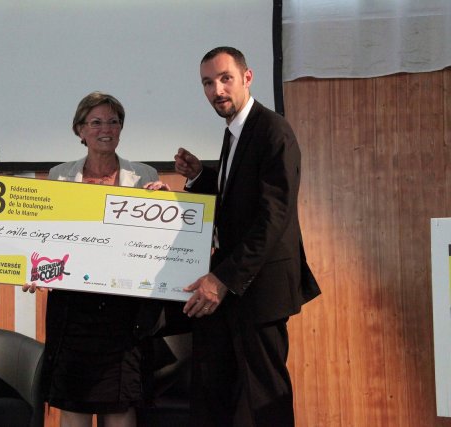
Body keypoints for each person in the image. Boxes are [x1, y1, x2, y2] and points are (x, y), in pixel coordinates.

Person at [172, 46, 321, 426]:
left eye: (225, 79)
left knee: (264, 398)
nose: (217, 90)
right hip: (239, 288)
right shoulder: (236, 132)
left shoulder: (272, 130)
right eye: (208, 83)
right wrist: (200, 177)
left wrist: (221, 280)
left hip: (260, 289)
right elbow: (238, 201)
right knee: (227, 393)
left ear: (247, 77)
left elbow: (273, 217)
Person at [23, 92, 163, 427]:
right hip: (73, 309)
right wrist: (34, 268)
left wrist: (164, 208)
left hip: (125, 310)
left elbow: (156, 244)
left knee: (120, 402)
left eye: (113, 122)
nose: (106, 129)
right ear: (80, 130)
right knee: (73, 400)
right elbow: (45, 236)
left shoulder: (144, 176)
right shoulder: (59, 176)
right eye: (96, 122)